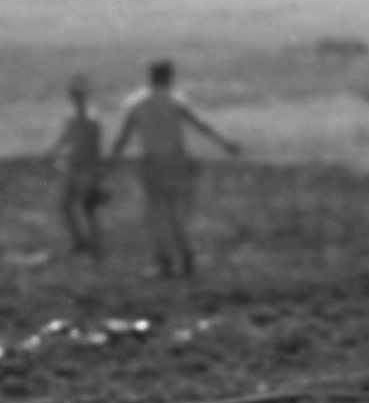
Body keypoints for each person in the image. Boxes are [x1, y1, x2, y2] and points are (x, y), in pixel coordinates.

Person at [109, 58, 239, 284]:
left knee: (156, 214)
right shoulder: (175, 100)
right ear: (168, 77)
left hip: (153, 161)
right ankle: (186, 255)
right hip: (176, 160)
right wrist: (225, 143)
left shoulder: (138, 103)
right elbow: (200, 124)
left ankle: (165, 261)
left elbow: (123, 137)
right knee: (176, 211)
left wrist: (109, 165)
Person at [51, 78, 111, 261]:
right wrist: (53, 153)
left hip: (86, 169)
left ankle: (96, 248)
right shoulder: (71, 117)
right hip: (71, 167)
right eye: (74, 94)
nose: (77, 98)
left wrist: (98, 173)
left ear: (85, 96)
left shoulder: (93, 119)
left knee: (89, 209)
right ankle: (79, 241)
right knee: (64, 205)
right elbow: (66, 138)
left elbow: (97, 148)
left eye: (79, 94)